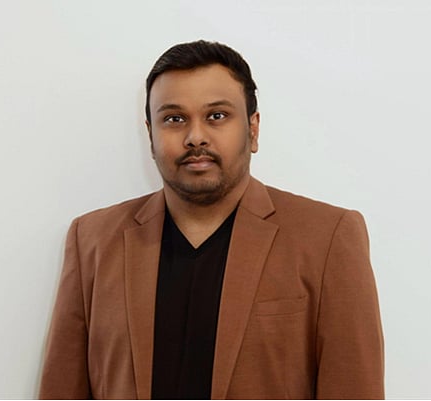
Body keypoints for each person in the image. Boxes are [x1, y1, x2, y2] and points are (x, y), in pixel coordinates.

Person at [39, 40, 384, 400]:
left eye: (217, 116)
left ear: (253, 129)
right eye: (174, 119)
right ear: (151, 135)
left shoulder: (328, 238)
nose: (195, 137)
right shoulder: (92, 240)